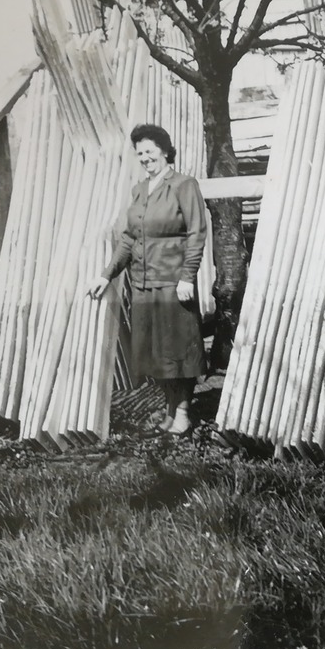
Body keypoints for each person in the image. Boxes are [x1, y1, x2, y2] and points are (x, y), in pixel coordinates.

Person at [86, 123, 208, 435]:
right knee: (157, 353)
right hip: (142, 283)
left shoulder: (183, 185)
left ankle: (183, 412)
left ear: (165, 151)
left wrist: (187, 277)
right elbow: (128, 239)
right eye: (139, 153)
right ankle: (169, 410)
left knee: (178, 351)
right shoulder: (139, 191)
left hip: (172, 283)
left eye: (150, 151)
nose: (144, 158)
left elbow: (196, 234)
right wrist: (107, 275)